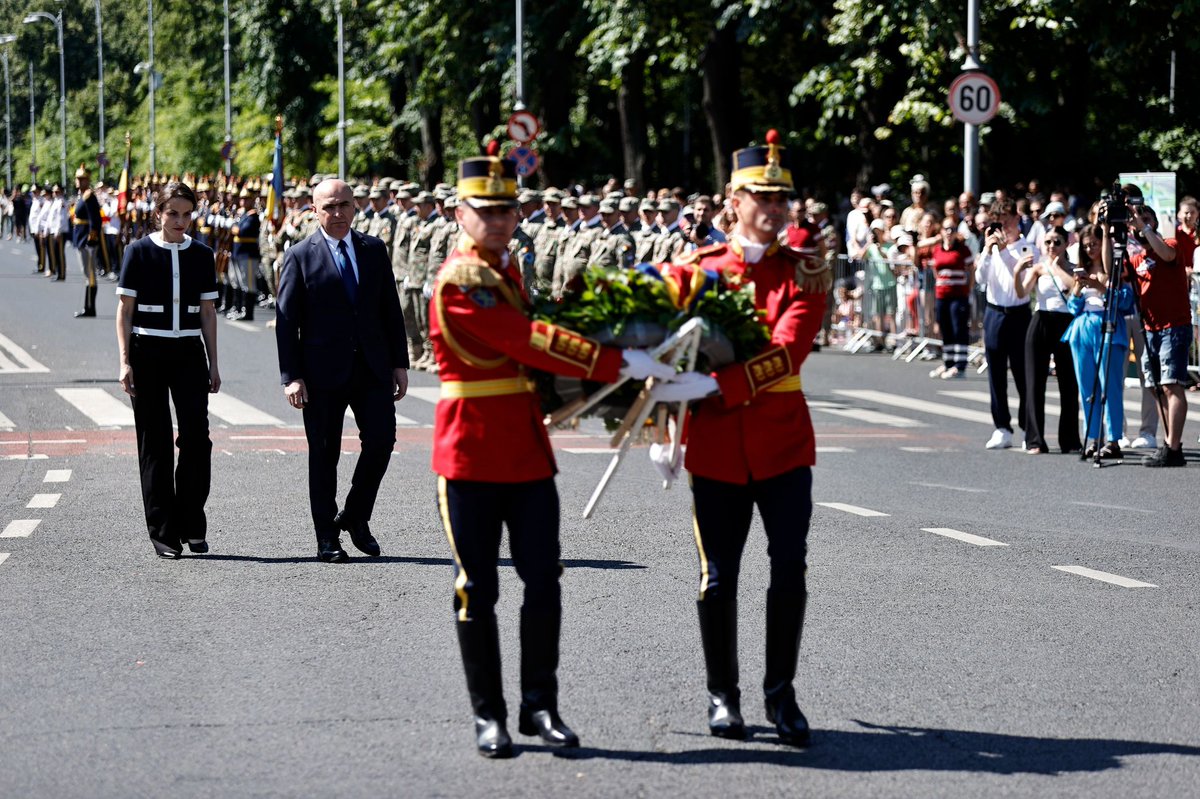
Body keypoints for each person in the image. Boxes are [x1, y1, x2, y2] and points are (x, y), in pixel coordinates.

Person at [429, 145, 676, 758]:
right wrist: (618, 361)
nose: (498, 219)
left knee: (544, 581)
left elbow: (539, 343)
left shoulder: (508, 269)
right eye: (485, 210)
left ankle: (540, 705)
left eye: (507, 210)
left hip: (527, 451)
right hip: (471, 451)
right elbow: (528, 340)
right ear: (461, 213)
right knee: (476, 586)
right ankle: (490, 715)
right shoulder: (463, 280)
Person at [649, 130, 831, 749]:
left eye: (783, 200)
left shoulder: (806, 273)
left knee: (791, 571)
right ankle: (722, 696)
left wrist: (705, 388)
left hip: (782, 446)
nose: (776, 209)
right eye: (763, 198)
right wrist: (662, 420)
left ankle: (781, 696)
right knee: (718, 576)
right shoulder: (695, 273)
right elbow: (662, 351)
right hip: (719, 449)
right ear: (734, 199)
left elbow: (785, 353)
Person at [275, 178, 410, 561]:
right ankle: (326, 537)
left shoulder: (373, 249)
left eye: (344, 205)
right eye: (329, 207)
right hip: (321, 374)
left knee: (382, 441)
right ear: (314, 211)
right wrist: (292, 375)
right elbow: (287, 322)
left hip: (371, 367)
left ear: (355, 207)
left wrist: (399, 363)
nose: (338, 214)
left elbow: (390, 310)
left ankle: (354, 515)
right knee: (323, 454)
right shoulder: (301, 255)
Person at [115, 182, 220, 558]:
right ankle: (163, 532)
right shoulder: (138, 252)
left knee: (197, 439)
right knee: (155, 442)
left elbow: (207, 313)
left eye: (187, 214)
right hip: (148, 351)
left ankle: (192, 522)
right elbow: (124, 311)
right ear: (158, 213)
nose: (180, 220)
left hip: (189, 352)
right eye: (172, 213)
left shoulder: (202, 255)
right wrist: (125, 360)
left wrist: (214, 363)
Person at [1114, 194, 1188, 467]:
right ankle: (1170, 443)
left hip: (1173, 327)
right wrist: (1109, 231)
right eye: (1138, 220)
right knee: (1157, 387)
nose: (1141, 223)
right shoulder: (1137, 259)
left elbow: (1167, 255)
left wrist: (1142, 226)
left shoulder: (1170, 244)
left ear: (1155, 223)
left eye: (1147, 219)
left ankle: (1174, 447)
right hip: (1150, 329)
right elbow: (1113, 271)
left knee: (1171, 385)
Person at [1064, 223, 1132, 460]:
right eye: (1086, 245)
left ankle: (1113, 439)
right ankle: (1093, 437)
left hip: (1108, 328)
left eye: (1094, 243)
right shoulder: (1082, 270)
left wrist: (1100, 287)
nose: (1091, 248)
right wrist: (1077, 288)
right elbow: (1072, 308)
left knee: (1110, 386)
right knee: (1087, 387)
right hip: (1083, 329)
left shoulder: (1116, 270)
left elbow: (1125, 303)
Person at [1013, 227, 1081, 453]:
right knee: (1034, 383)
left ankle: (1069, 440)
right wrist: (1017, 272)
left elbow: (1075, 288)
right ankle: (1034, 440)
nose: (1052, 247)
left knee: (1069, 384)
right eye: (1048, 242)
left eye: (1057, 242)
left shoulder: (1072, 268)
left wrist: (1057, 268)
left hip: (1065, 323)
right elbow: (1022, 293)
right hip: (1041, 321)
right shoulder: (1038, 268)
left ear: (1065, 244)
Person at [975, 198, 1031, 450]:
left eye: (1007, 220)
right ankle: (1001, 427)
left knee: (1022, 372)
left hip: (1019, 314)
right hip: (995, 312)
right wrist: (987, 251)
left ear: (1016, 219)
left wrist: (1002, 250)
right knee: (996, 373)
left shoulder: (1026, 247)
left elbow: (1018, 274)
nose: (1003, 226)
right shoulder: (993, 248)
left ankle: (1029, 426)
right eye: (999, 221)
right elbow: (980, 278)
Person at [930, 218, 974, 379]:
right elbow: (936, 270)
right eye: (946, 229)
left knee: (959, 329)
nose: (949, 232)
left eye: (952, 229)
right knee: (945, 328)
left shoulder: (963, 250)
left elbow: (971, 270)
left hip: (959, 295)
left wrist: (968, 288)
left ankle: (960, 366)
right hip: (942, 295)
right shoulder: (937, 250)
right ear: (941, 231)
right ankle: (948, 362)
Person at [71, 165, 113, 318]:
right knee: (87, 274)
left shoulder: (89, 196)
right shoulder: (81, 196)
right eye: (77, 179)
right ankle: (87, 307)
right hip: (80, 237)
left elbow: (95, 220)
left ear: (87, 181)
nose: (78, 181)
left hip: (87, 240)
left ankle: (90, 308)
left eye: (82, 179)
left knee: (90, 275)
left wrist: (92, 239)